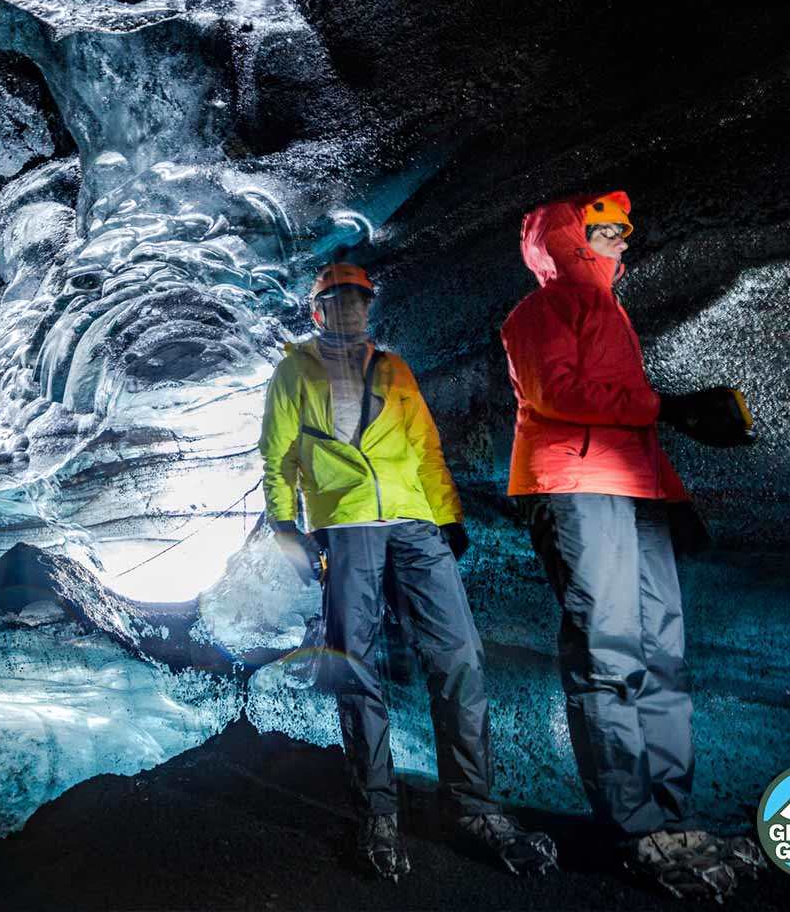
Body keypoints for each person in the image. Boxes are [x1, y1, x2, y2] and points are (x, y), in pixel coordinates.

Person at [260, 262, 558, 882]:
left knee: (459, 658)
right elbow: (279, 451)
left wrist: (447, 513)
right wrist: (285, 522)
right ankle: (378, 815)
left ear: (368, 309)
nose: (349, 311)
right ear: (318, 311)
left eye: (358, 301)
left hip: (415, 526)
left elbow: (424, 446)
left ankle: (474, 809)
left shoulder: (394, 369)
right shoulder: (294, 370)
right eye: (337, 301)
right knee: (357, 666)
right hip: (346, 528)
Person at [500, 192, 761, 897]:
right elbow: (556, 392)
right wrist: (666, 406)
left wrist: (672, 486)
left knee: (662, 652)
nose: (624, 239)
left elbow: (623, 406)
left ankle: (669, 815)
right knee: (608, 648)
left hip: (636, 488)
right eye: (608, 230)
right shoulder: (541, 310)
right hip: (578, 486)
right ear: (569, 238)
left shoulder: (610, 310)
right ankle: (633, 825)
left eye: (624, 229)